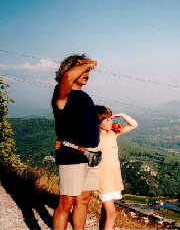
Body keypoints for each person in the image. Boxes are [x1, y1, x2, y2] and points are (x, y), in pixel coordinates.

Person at [52, 54, 99, 230]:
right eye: (82, 68)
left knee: (84, 200)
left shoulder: (85, 97)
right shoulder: (62, 93)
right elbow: (67, 78)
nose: (86, 72)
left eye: (88, 70)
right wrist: (86, 63)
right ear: (69, 70)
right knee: (66, 203)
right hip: (71, 155)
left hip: (90, 155)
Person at [95, 106, 138, 229]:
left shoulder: (113, 133)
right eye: (107, 120)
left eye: (110, 119)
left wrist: (122, 115)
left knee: (105, 213)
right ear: (98, 122)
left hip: (113, 179)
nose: (111, 122)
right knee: (112, 213)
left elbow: (134, 124)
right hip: (103, 180)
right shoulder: (95, 138)